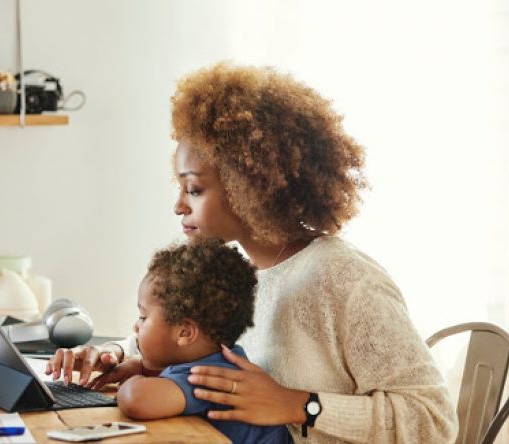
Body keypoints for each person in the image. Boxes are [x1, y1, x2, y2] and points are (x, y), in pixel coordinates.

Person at [46, 62, 457, 443]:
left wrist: (301, 405)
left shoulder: (343, 278)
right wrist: (119, 354)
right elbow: (190, 339)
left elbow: (434, 420)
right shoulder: (241, 273)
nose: (179, 206)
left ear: (252, 185)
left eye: (194, 189)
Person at [89, 239, 292, 443]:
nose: (136, 327)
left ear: (185, 333)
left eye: (143, 317)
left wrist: (131, 383)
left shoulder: (209, 377)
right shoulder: (224, 360)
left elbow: (137, 400)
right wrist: (142, 370)